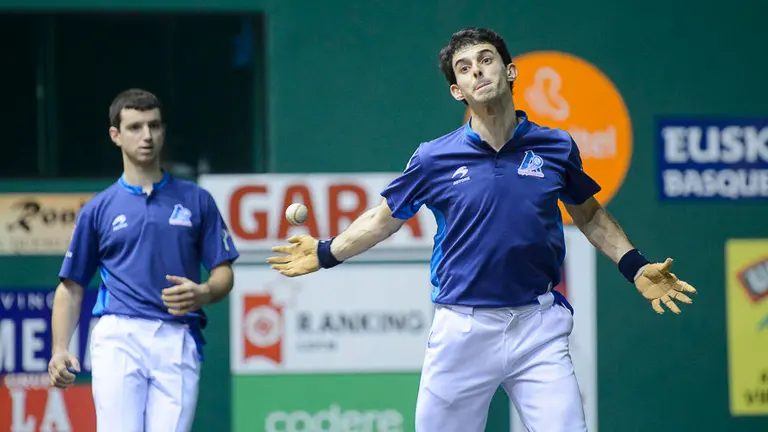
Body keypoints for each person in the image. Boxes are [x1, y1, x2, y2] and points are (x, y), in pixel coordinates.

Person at [266, 28, 697, 432]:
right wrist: (326, 252)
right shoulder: (433, 158)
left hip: (537, 328)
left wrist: (635, 266)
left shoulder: (555, 146)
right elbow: (384, 218)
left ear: (509, 71)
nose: (477, 71)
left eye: (486, 60)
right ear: (458, 90)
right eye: (465, 68)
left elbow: (589, 214)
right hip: (462, 330)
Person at [48, 88, 239, 432]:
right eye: (135, 127)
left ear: (164, 130)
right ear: (116, 136)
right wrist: (60, 348)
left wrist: (204, 293)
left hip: (178, 336)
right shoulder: (98, 209)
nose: (147, 135)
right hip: (119, 335)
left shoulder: (197, 200)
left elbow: (223, 271)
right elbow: (71, 286)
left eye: (154, 125)